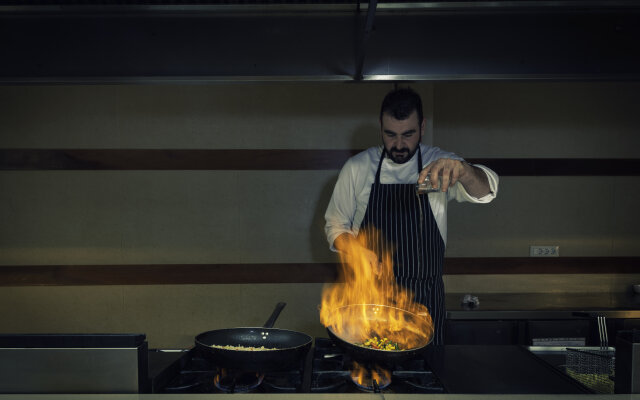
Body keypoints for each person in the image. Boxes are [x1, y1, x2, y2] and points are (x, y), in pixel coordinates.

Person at [324, 87, 499, 345]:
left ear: (423, 127)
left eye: (408, 134)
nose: (398, 145)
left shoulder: (440, 164)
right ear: (380, 127)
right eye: (390, 135)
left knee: (427, 377)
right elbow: (335, 226)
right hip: (371, 301)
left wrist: (463, 171)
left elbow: (487, 192)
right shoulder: (358, 167)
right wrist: (356, 250)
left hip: (425, 303)